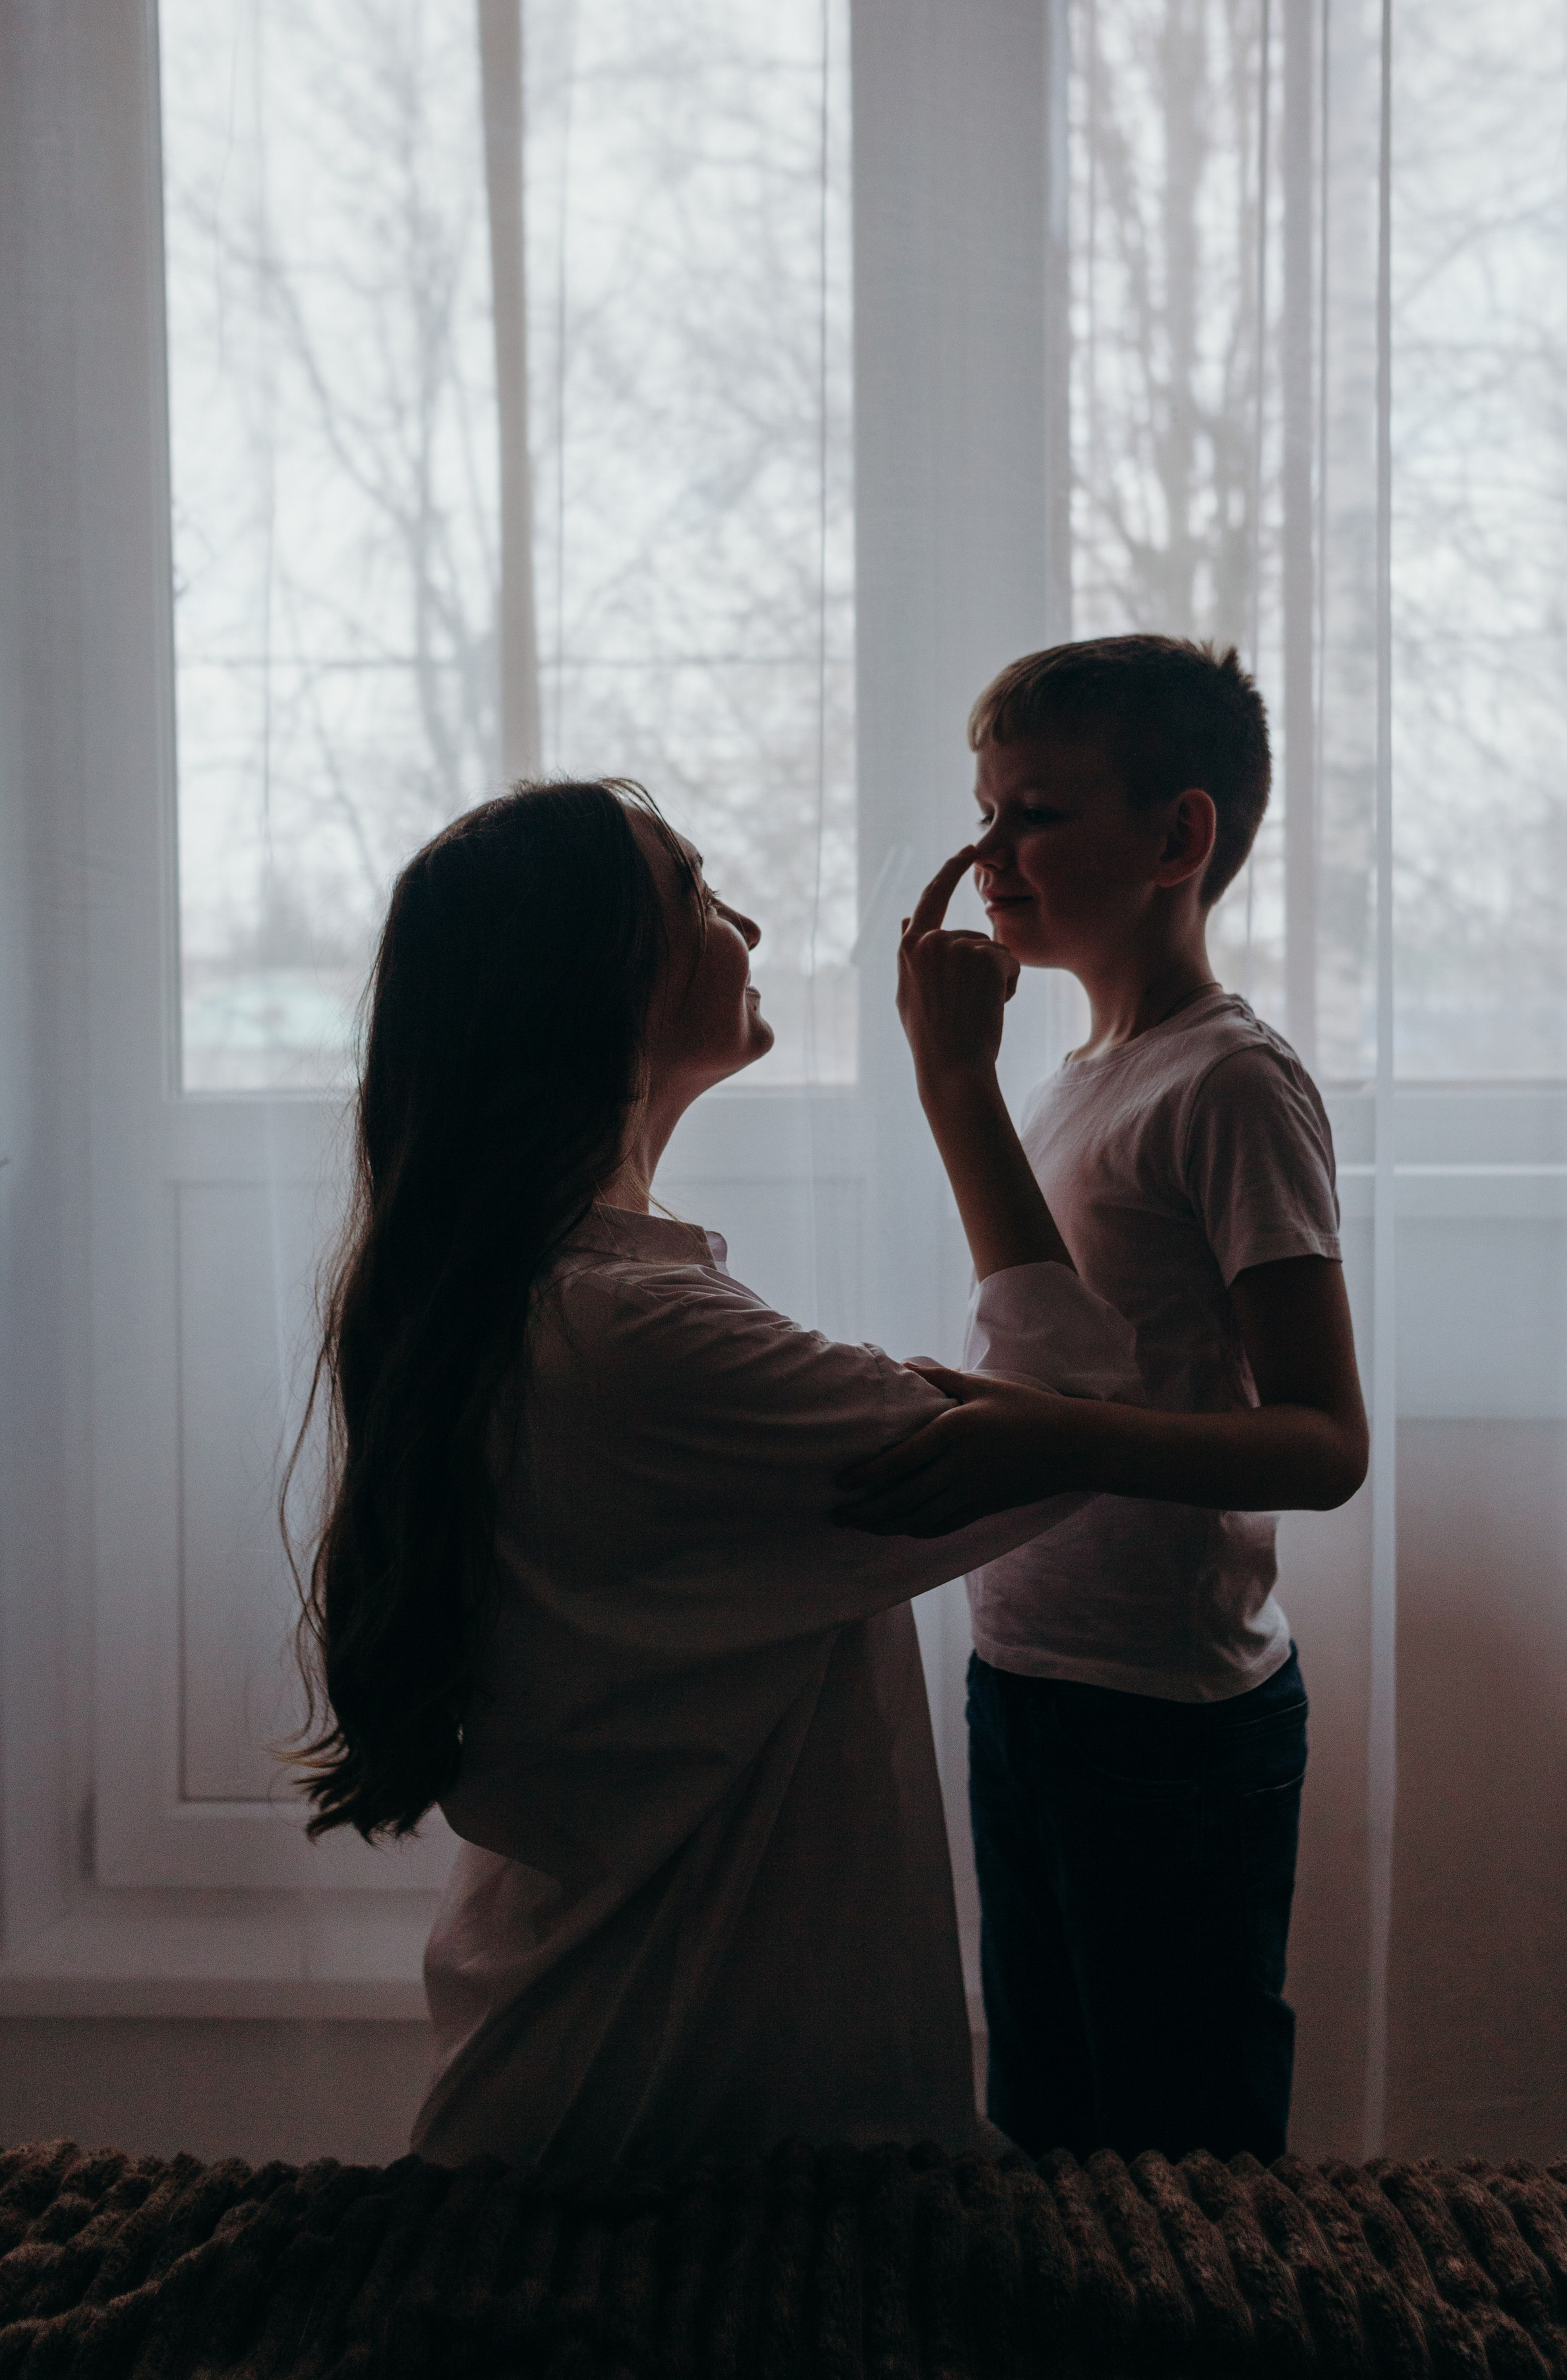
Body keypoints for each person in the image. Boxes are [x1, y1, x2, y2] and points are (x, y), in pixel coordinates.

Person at [288, 775, 1137, 2176]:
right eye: (693, 891)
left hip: (594, 2078)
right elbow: (1077, 1421)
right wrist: (956, 1083)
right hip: (667, 2134)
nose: (742, 922)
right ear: (597, 980)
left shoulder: (541, 1299)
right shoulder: (632, 1334)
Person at [838, 636, 1370, 2168]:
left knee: (1180, 2155)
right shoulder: (1078, 1078)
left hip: (1172, 1715)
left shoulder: (1230, 1084)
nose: (985, 857)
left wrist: (1057, 1436)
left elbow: (1322, 1441)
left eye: (1034, 815)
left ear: (1176, 838)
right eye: (983, 814)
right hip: (1027, 1672)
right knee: (1049, 2130)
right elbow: (1067, 1348)